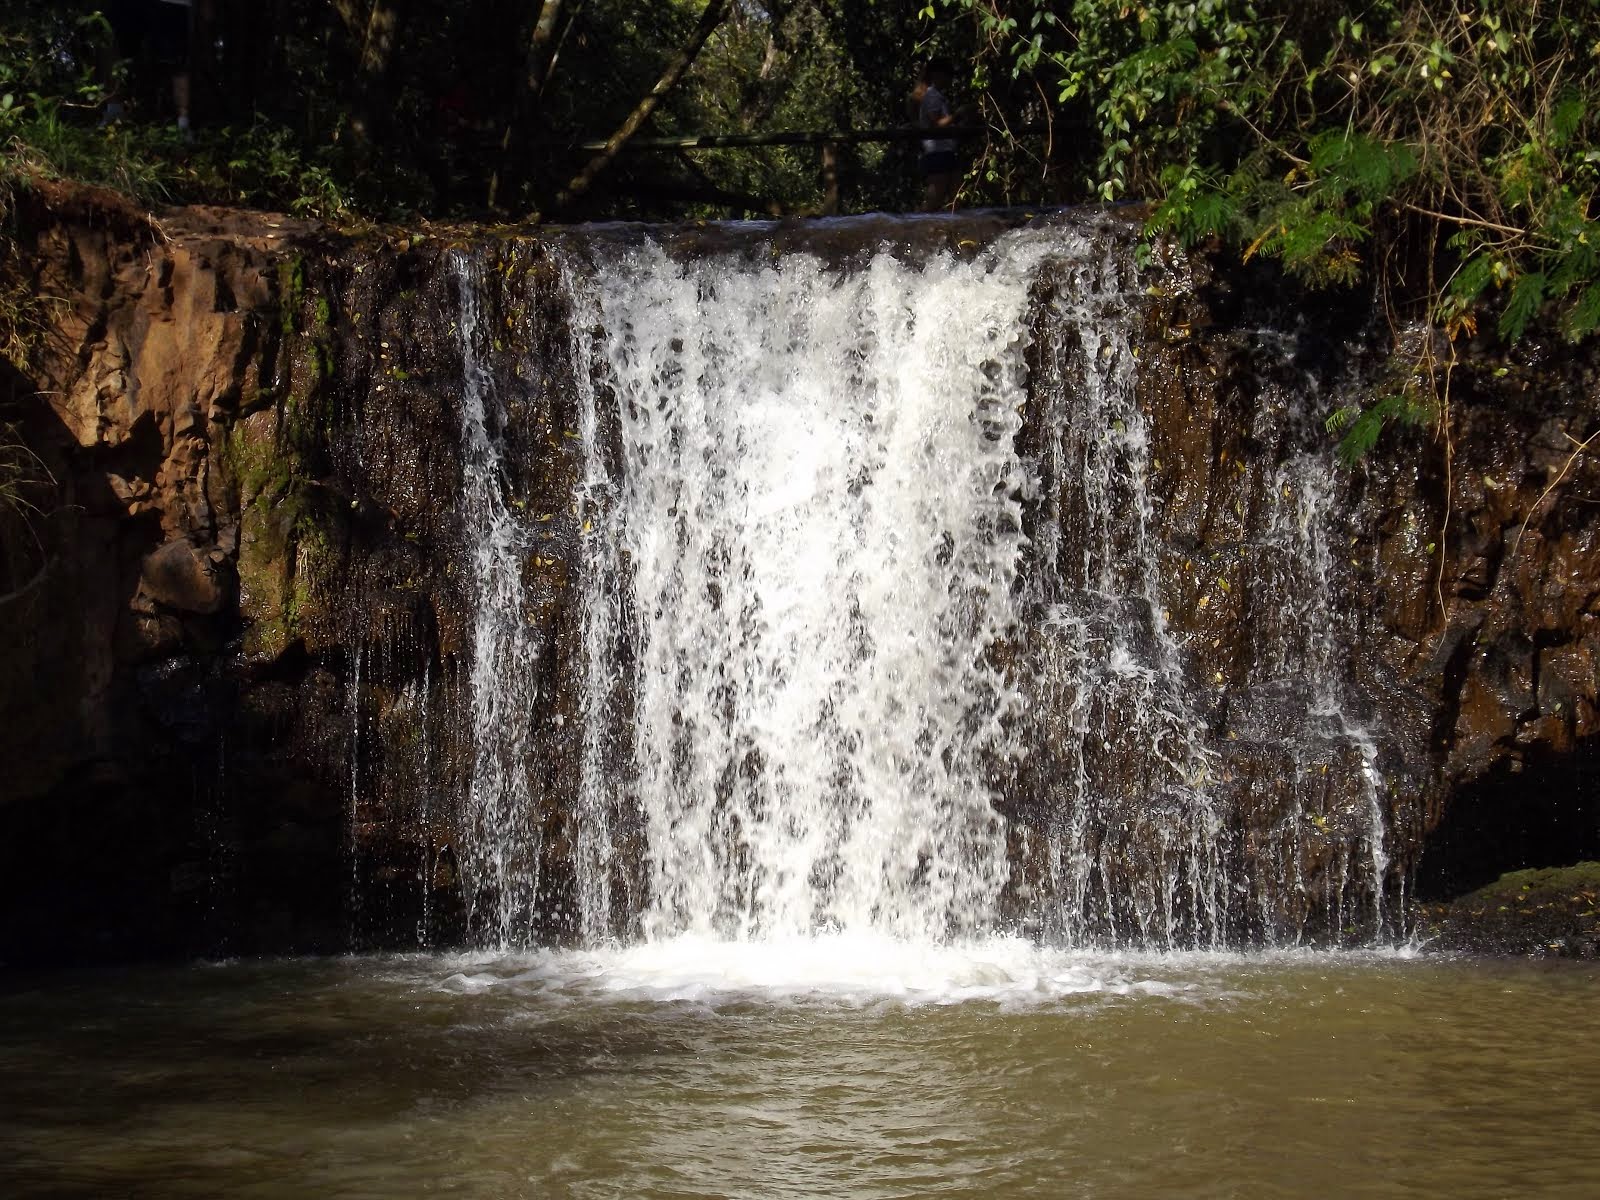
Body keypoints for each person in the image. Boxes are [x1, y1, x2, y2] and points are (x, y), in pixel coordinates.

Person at [103, 0, 195, 138]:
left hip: (173, 3)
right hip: (127, 4)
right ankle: (114, 114)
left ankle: (184, 125)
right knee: (113, 47)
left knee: (177, 60)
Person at [914, 59, 959, 211]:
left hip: (945, 151)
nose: (949, 81)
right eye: (947, 76)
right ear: (938, 75)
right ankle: (919, 230)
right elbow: (936, 123)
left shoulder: (937, 96)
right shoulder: (932, 96)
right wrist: (958, 115)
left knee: (956, 196)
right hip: (937, 153)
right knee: (935, 198)